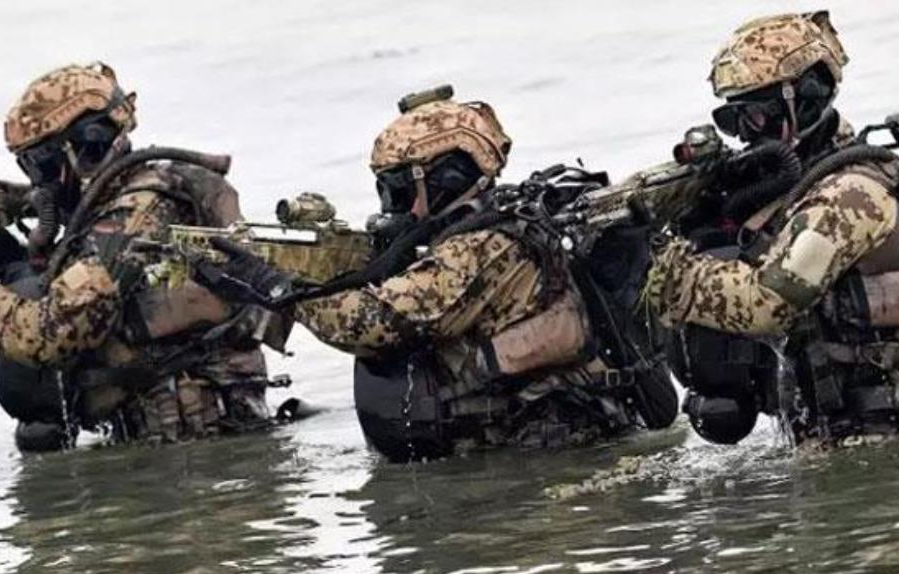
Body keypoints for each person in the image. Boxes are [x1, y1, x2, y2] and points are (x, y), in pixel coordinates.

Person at [200, 87, 677, 461]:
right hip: (526, 449)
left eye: (398, 189)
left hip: (550, 453)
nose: (392, 206)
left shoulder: (482, 246)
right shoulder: (481, 229)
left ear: (447, 178)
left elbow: (374, 323)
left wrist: (277, 287)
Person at [0, 62, 289, 450]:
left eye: (40, 163)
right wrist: (1, 260)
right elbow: (71, 291)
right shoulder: (124, 201)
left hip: (197, 447)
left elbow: (47, 336)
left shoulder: (136, 214)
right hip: (178, 442)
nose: (38, 180)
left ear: (87, 145)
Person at [645, 11, 899, 444]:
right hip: (843, 437)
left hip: (885, 439)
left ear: (804, 97)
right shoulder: (808, 188)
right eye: (732, 121)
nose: (744, 135)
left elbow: (768, 303)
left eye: (755, 116)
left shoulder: (851, 194)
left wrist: (670, 274)